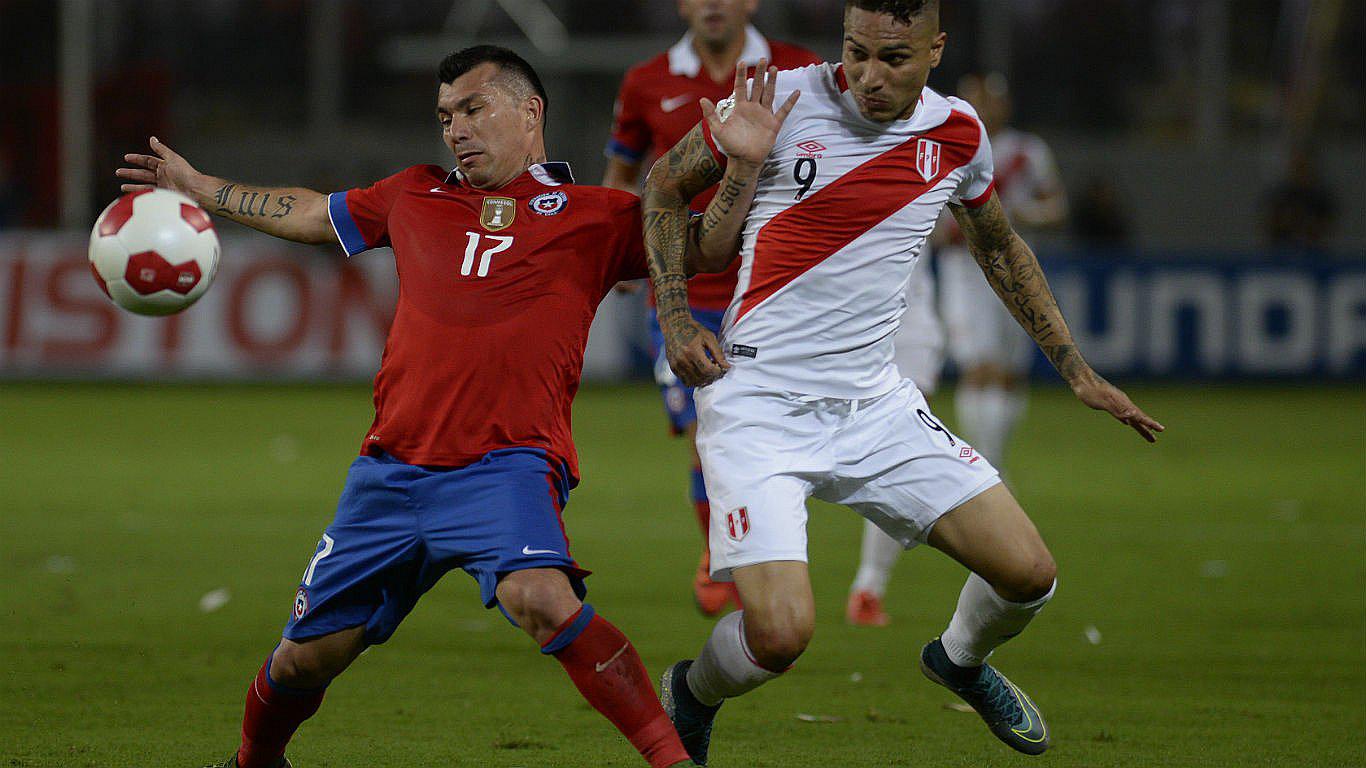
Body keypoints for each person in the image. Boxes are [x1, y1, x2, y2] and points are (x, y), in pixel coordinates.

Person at [117, 46, 702, 768]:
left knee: (542, 598)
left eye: (473, 108)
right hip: (390, 475)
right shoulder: (414, 195)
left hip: (506, 464)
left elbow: (699, 246)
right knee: (303, 659)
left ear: (530, 111)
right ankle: (250, 765)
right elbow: (307, 213)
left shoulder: (598, 216)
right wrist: (201, 188)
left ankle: (673, 759)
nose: (456, 129)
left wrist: (736, 168)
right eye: (445, 115)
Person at [639, 1, 1164, 763]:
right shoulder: (774, 100)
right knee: (781, 635)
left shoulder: (958, 134)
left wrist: (1075, 370)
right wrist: (679, 320)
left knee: (1030, 576)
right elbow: (659, 191)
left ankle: (959, 658)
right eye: (856, 53)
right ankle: (694, 692)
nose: (868, 77)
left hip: (875, 407)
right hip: (758, 404)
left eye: (894, 59)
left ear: (936, 50)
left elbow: (1000, 246)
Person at [603, 0, 821, 617]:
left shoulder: (798, 69)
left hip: (775, 290)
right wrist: (614, 247)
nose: (714, 5)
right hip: (684, 292)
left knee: (769, 437)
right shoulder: (646, 80)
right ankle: (720, 552)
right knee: (709, 436)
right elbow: (622, 171)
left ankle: (754, 546)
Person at [845, 71, 1070, 628]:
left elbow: (1052, 206)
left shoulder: (992, 146)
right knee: (968, 383)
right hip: (942, 292)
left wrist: (1013, 219)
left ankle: (871, 584)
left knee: (997, 382)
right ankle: (869, 581)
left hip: (957, 292)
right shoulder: (923, 144)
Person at [937, 72, 1068, 474]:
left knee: (1010, 373)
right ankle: (985, 468)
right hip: (965, 271)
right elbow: (931, 224)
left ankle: (996, 462)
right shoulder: (947, 146)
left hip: (1016, 269)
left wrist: (1022, 216)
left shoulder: (1026, 152)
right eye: (977, 98)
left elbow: (1056, 209)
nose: (986, 106)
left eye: (992, 99)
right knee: (979, 368)